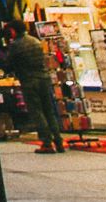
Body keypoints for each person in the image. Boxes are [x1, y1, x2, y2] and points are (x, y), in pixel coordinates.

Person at [4, 21, 64, 152]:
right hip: (44, 78)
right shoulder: (36, 41)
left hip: (29, 80)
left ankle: (46, 142)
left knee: (37, 111)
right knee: (49, 111)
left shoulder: (15, 45)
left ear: (13, 31)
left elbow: (8, 64)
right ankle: (58, 141)